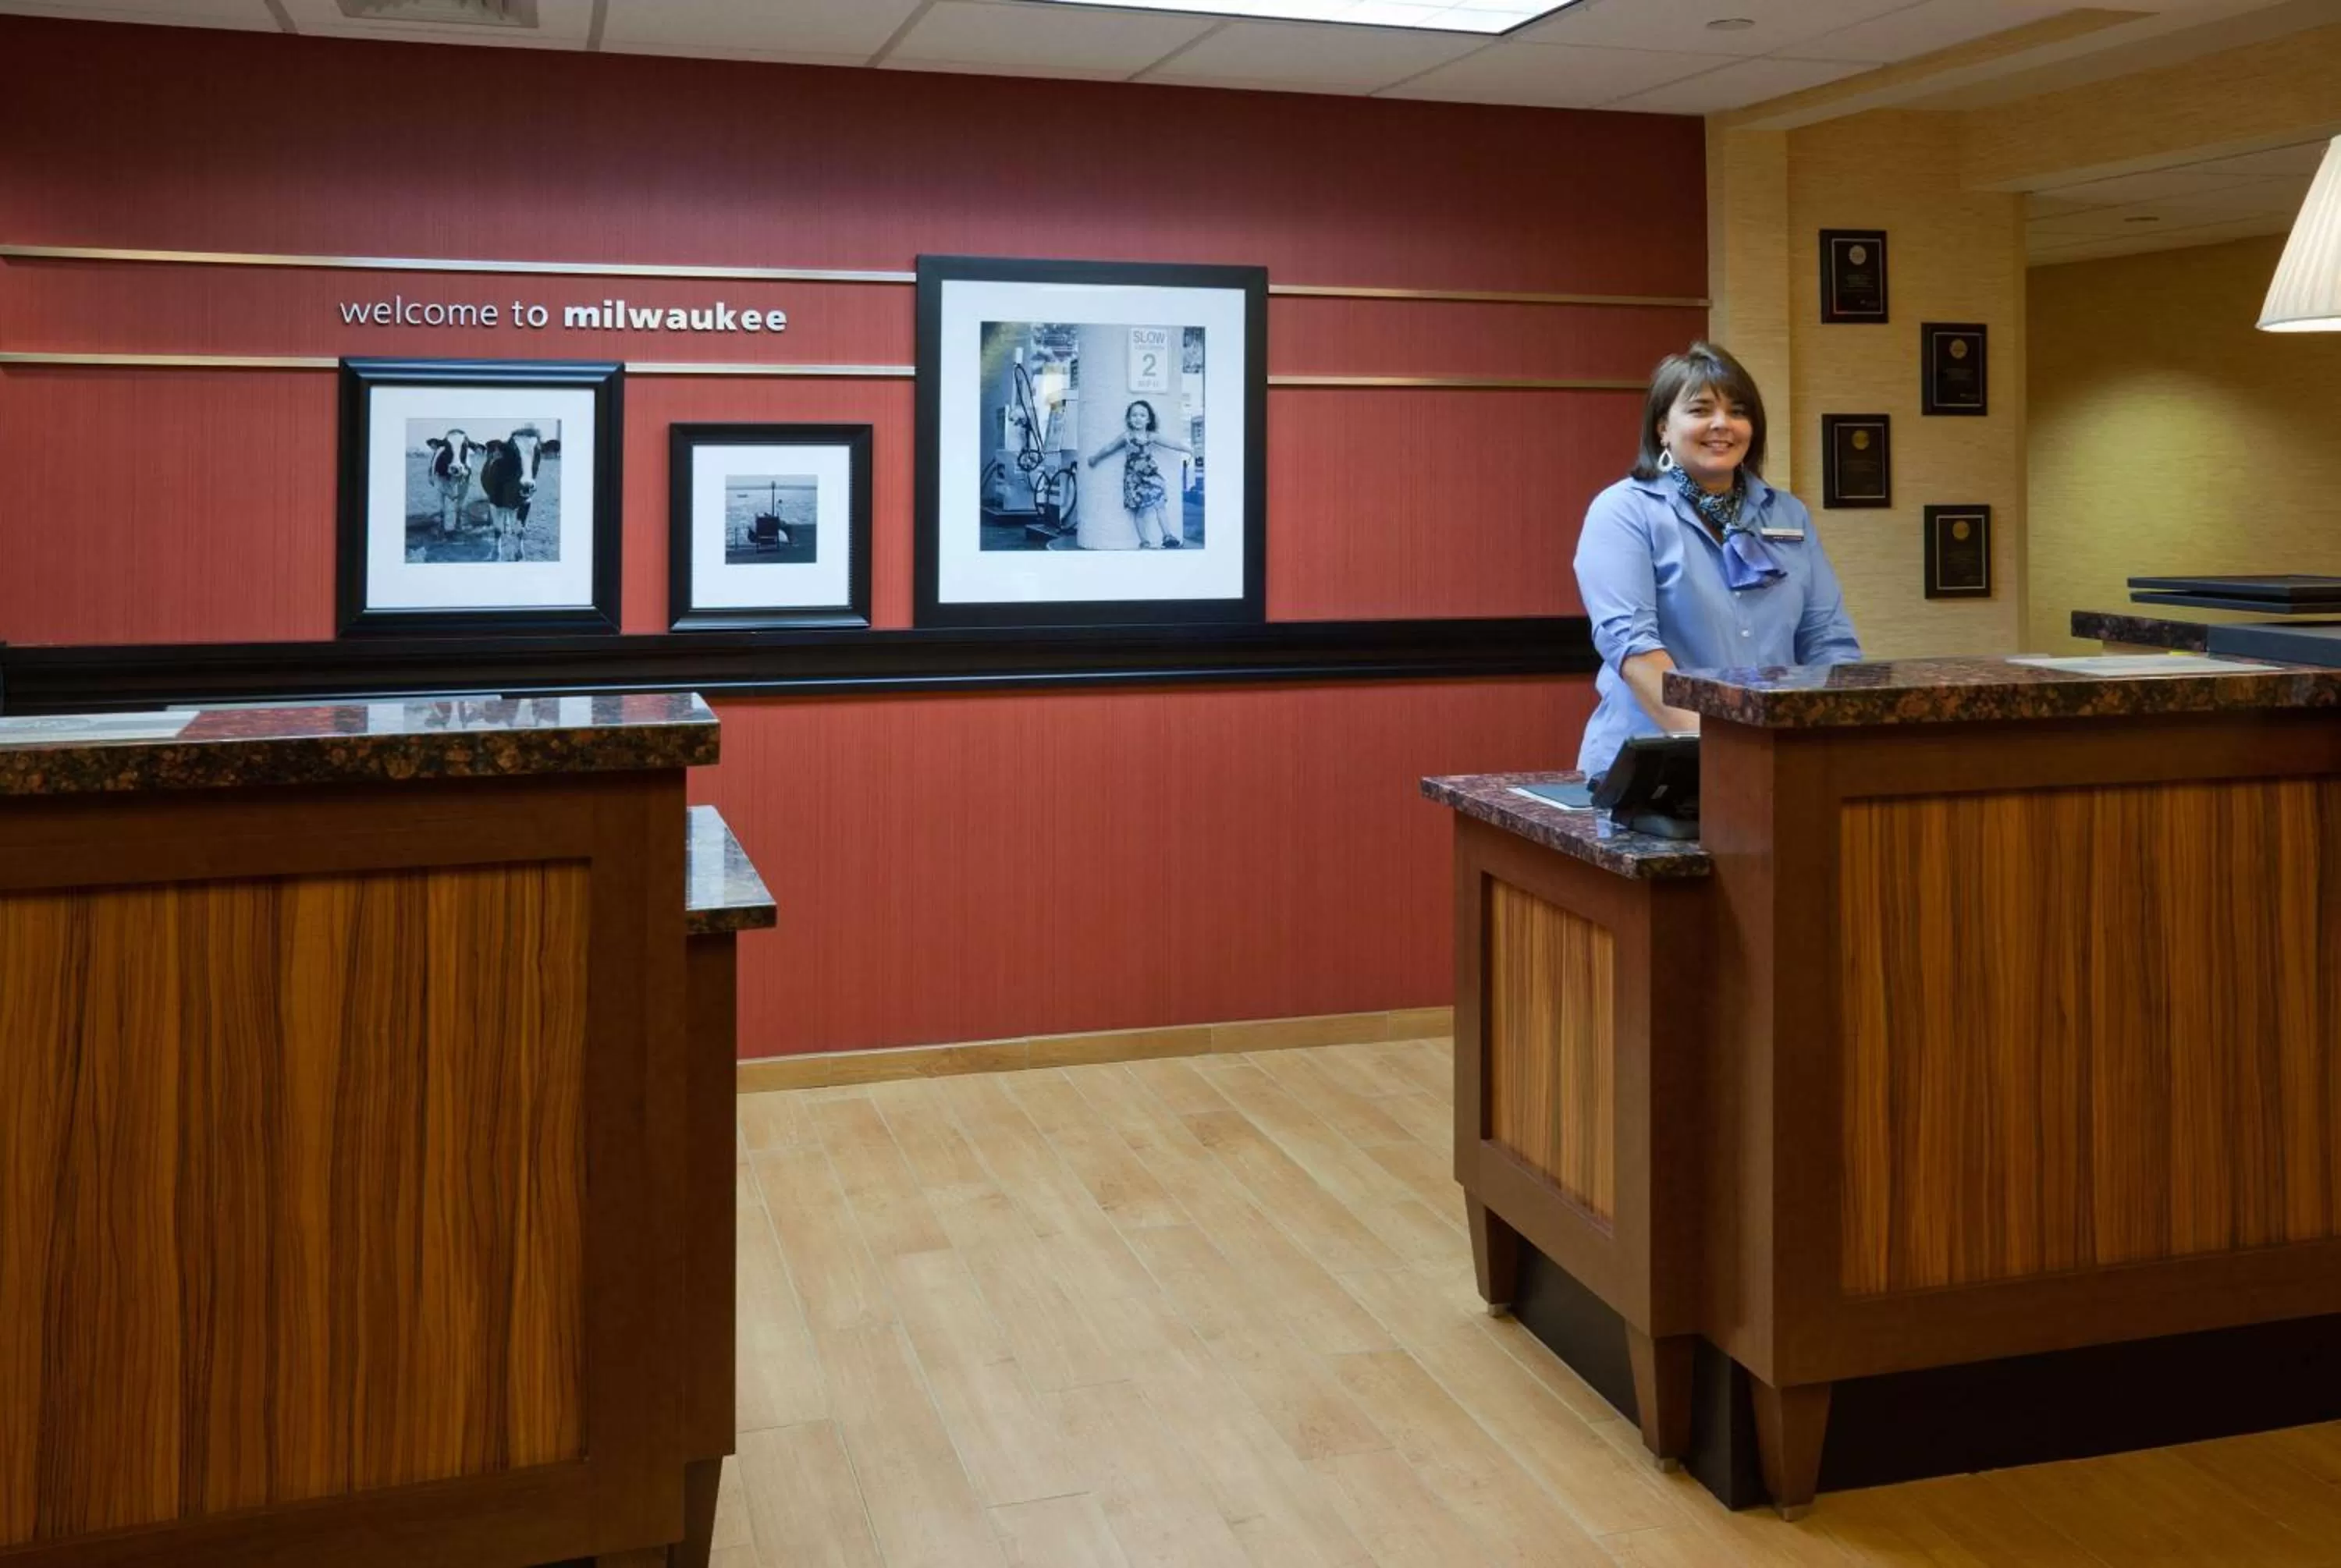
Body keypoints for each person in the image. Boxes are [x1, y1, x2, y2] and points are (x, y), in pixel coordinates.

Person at [1574, 342, 1861, 780]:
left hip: (1779, 763)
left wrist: (1843, 741)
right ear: (1662, 429)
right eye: (1701, 409)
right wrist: (1724, 757)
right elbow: (1634, 649)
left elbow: (1827, 641)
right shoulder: (1624, 511)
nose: (1722, 425)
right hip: (1658, 768)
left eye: (1738, 411)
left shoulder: (1787, 514)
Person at [1087, 399, 1194, 548]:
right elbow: (1109, 448)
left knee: (1160, 504)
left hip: (1151, 476)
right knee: (1139, 510)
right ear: (1129, 419)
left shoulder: (1152, 436)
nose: (1138, 418)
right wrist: (1095, 458)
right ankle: (1144, 541)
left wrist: (1188, 449)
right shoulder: (1127, 437)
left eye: (1142, 415)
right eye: (1134, 415)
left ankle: (1168, 536)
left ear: (1148, 419)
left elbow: (1172, 444)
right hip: (1133, 479)